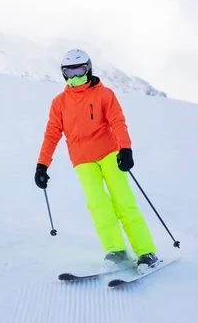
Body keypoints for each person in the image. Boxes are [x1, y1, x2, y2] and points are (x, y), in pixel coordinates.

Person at [34, 48, 159, 272]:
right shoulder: (59, 102)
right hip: (82, 160)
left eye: (80, 70)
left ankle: (145, 252)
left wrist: (125, 149)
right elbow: (52, 134)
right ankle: (116, 251)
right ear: (63, 74)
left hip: (110, 153)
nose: (75, 76)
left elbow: (118, 122)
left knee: (123, 201)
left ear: (89, 68)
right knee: (98, 205)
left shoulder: (104, 94)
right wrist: (42, 165)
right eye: (70, 72)